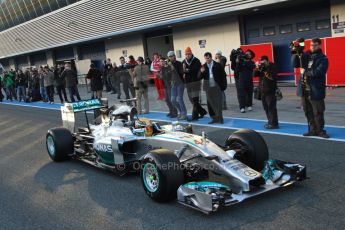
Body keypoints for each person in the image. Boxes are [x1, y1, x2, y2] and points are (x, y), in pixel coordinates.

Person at [300, 38, 329, 138]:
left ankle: (320, 130)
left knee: (318, 112)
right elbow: (295, 63)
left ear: (319, 45)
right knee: (308, 111)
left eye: (315, 45)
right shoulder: (306, 56)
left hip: (316, 90)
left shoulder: (323, 58)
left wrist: (305, 72)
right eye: (311, 45)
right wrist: (296, 52)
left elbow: (319, 72)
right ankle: (312, 130)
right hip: (304, 90)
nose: (313, 47)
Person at [200, 52, 227, 124]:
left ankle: (220, 118)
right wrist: (201, 72)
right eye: (206, 59)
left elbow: (223, 75)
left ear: (211, 57)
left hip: (217, 87)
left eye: (208, 58)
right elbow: (199, 77)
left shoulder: (217, 65)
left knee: (218, 103)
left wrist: (223, 86)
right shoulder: (203, 66)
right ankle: (214, 118)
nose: (207, 60)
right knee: (210, 104)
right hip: (208, 88)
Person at [182, 47, 207, 121]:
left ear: (191, 53)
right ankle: (202, 111)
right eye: (186, 54)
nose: (187, 55)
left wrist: (186, 70)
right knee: (191, 99)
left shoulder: (196, 60)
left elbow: (195, 70)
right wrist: (184, 71)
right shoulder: (184, 61)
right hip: (188, 83)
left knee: (195, 100)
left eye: (188, 54)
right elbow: (182, 71)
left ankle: (194, 116)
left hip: (196, 82)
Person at [254, 56, 279, 129]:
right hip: (262, 91)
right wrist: (257, 68)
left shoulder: (273, 66)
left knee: (271, 107)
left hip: (270, 91)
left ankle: (274, 123)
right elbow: (254, 75)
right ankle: (270, 122)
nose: (263, 64)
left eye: (264, 62)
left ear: (267, 61)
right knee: (266, 108)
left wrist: (265, 70)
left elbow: (272, 77)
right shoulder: (261, 67)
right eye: (261, 62)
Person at [168, 51, 187, 120]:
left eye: (172, 56)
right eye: (169, 57)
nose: (171, 58)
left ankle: (184, 113)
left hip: (180, 83)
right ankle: (181, 111)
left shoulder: (179, 63)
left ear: (174, 56)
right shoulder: (168, 65)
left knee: (180, 98)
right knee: (172, 100)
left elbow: (181, 72)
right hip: (173, 84)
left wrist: (173, 67)